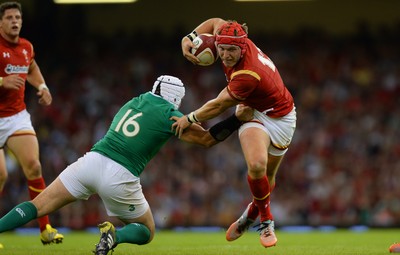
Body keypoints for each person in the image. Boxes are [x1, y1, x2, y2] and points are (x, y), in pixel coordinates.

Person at [0, 75, 253, 255]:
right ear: (176, 98)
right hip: (120, 175)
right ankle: (115, 235)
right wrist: (235, 120)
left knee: (38, 206)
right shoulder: (170, 114)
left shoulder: (135, 101)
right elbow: (207, 140)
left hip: (91, 161)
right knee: (147, 230)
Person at [174, 18, 297, 248]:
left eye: (232, 50)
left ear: (243, 45)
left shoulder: (248, 74)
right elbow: (214, 22)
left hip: (281, 118)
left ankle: (250, 215)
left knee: (268, 181)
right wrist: (188, 38)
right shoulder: (229, 34)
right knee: (257, 165)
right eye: (222, 49)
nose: (226, 54)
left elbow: (219, 105)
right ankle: (267, 221)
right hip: (252, 112)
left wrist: (189, 117)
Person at [0, 1, 63, 245]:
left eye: (18, 17)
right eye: (10, 18)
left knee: (34, 166)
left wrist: (43, 86)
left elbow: (32, 67)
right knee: (1, 176)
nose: (15, 21)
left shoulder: (26, 47)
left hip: (16, 116)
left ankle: (45, 229)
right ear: (1, 22)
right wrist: (2, 82)